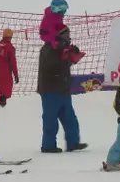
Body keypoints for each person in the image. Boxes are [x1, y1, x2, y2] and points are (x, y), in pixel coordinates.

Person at [37, 24, 87, 153]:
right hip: (50, 90)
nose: (68, 37)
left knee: (70, 118)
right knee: (50, 119)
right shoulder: (48, 48)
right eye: (66, 35)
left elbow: (63, 65)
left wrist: (71, 58)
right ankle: (48, 145)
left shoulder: (62, 49)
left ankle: (73, 143)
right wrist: (65, 58)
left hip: (63, 89)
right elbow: (50, 67)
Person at [0, 28, 19, 99]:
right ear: (10, 37)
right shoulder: (10, 48)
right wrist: (16, 75)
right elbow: (13, 63)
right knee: (5, 99)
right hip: (6, 77)